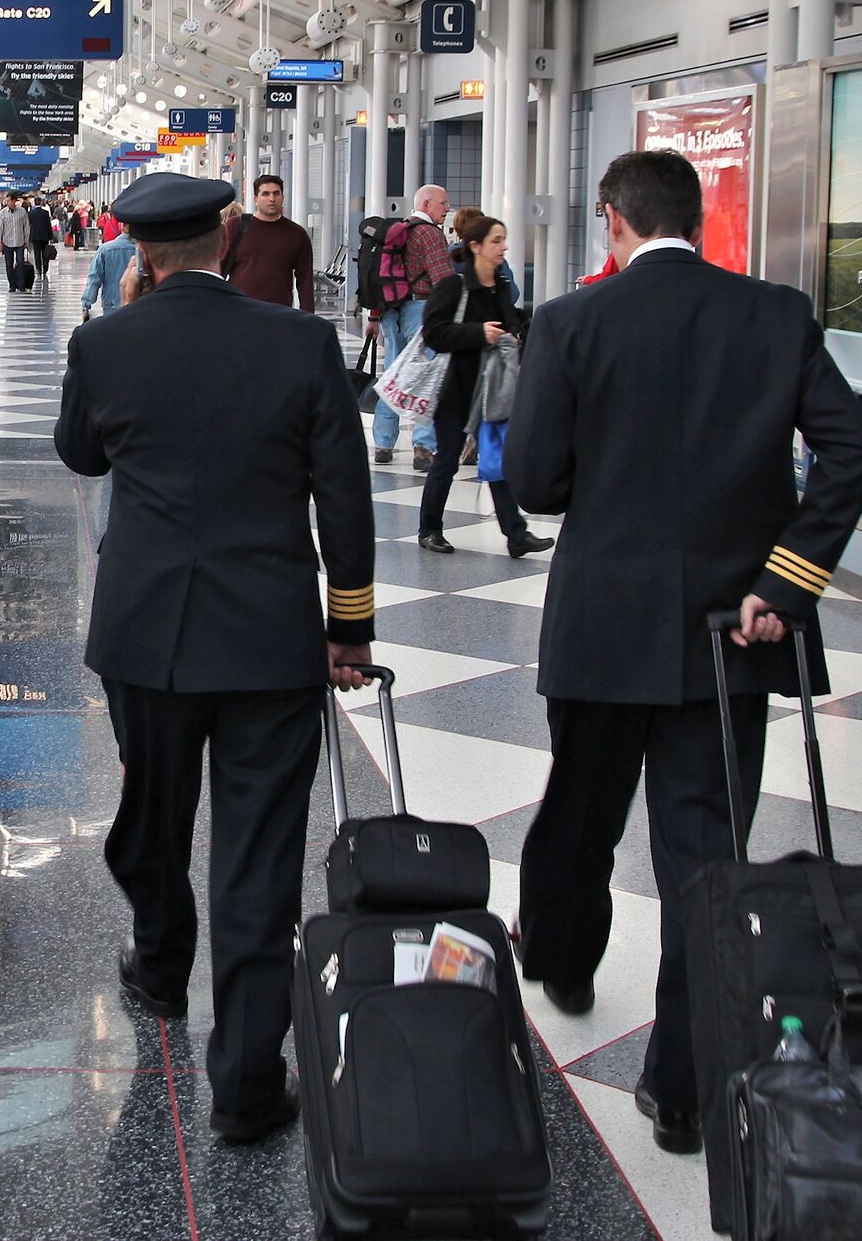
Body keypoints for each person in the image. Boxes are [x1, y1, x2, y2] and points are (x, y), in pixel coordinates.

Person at [505, 150, 862, 1156]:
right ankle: (682, 1088)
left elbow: (536, 482)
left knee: (579, 809)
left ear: (610, 222)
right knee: (705, 858)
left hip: (600, 626)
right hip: (732, 632)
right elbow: (851, 451)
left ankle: (566, 957)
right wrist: (786, 578)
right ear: (696, 218)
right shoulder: (775, 315)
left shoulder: (572, 323)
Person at [55, 171, 376, 1145]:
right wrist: (348, 626)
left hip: (144, 635)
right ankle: (243, 1081)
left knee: (152, 819)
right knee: (258, 857)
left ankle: (158, 963)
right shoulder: (300, 341)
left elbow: (80, 456)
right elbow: (344, 495)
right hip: (269, 637)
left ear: (139, 251)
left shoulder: (106, 342)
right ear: (226, 234)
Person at [415, 214, 550, 558]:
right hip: (456, 389)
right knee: (447, 460)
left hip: (493, 390)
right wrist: (479, 333)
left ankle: (516, 535)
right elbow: (434, 333)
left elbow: (513, 323)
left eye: (503, 239)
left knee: (495, 460)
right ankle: (429, 529)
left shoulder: (501, 286)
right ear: (475, 247)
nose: (504, 246)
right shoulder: (453, 286)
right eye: (496, 240)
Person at [368, 184, 455, 472]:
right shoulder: (430, 234)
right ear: (427, 204)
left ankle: (383, 442)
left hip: (393, 310)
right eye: (443, 203)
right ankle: (423, 445)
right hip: (421, 309)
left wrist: (374, 314)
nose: (447, 208)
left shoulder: (399, 231)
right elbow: (443, 278)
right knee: (427, 375)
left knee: (393, 375)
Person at [224, 174, 315, 311]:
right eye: (265, 194)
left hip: (279, 313)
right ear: (256, 199)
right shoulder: (236, 226)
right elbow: (217, 267)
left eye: (276, 194)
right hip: (239, 310)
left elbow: (305, 280)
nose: (272, 199)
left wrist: (309, 318)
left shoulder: (296, 234)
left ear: (283, 198)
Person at [79, 218, 136, 320]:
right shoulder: (143, 250)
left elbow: (94, 279)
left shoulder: (105, 249)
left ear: (121, 226)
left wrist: (86, 305)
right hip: (138, 304)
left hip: (112, 305)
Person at [0, 195, 29, 284]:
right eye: (6, 201)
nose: (7, 203)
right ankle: (12, 284)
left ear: (14, 201)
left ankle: (21, 284)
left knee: (20, 262)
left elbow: (26, 226)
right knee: (9, 264)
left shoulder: (22, 212)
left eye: (9, 201)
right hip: (7, 242)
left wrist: (26, 239)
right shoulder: (3, 213)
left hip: (19, 241)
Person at [27, 194, 53, 271]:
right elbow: (48, 225)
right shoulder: (45, 213)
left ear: (34, 203)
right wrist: (51, 237)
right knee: (45, 252)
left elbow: (29, 225)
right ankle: (45, 267)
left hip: (35, 236)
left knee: (37, 253)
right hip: (45, 236)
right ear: (41, 203)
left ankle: (39, 268)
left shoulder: (31, 213)